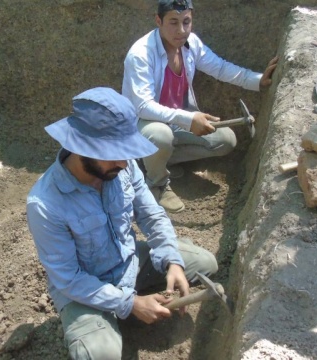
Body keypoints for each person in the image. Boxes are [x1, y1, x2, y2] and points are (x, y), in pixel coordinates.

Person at [27, 87, 218, 359]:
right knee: (100, 355)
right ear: (81, 147)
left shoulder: (122, 166)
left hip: (129, 263)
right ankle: (100, 325)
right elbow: (68, 279)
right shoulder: (45, 204)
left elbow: (151, 214)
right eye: (113, 153)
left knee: (205, 264)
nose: (123, 161)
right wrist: (131, 304)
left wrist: (171, 259)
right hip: (85, 288)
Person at [122, 0, 278, 213]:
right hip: (145, 123)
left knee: (225, 140)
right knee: (160, 136)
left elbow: (221, 68)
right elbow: (143, 106)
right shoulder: (141, 54)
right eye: (173, 22)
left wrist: (257, 81)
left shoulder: (190, 43)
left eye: (186, 22)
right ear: (158, 21)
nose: (181, 30)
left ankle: (156, 161)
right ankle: (156, 184)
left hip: (177, 119)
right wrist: (188, 119)